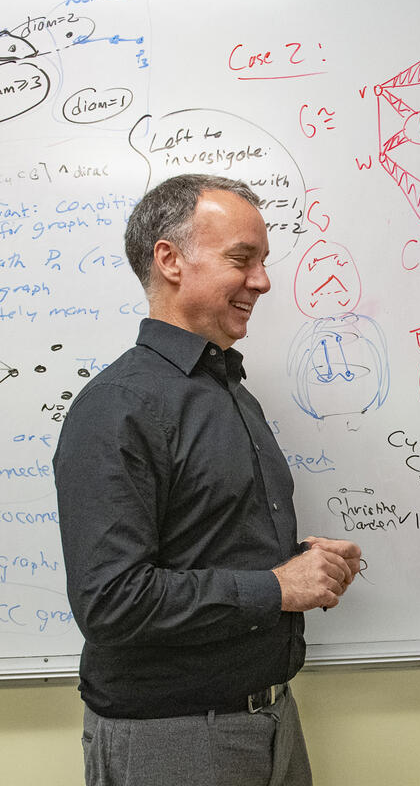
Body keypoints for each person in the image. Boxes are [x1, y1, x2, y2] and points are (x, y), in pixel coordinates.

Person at [54, 173, 362, 786]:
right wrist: (278, 587)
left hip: (271, 721)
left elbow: (206, 545)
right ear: (169, 260)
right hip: (173, 738)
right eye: (242, 260)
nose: (263, 281)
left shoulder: (230, 393)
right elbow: (111, 602)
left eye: (264, 262)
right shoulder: (119, 406)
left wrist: (303, 566)